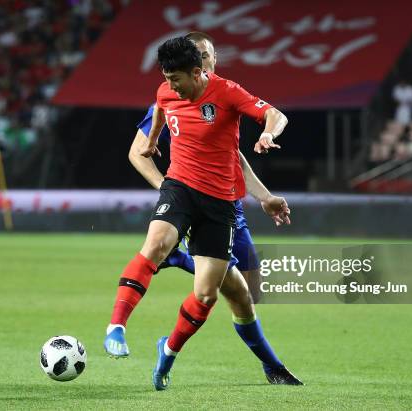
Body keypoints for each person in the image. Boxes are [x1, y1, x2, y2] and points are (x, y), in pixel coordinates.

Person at [105, 35, 302, 390]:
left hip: (222, 206)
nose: (169, 85)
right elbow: (160, 108)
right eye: (166, 78)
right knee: (156, 244)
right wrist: (151, 142)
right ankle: (116, 327)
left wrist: (268, 137)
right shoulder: (170, 89)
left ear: (199, 69)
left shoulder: (227, 93)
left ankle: (169, 348)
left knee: (230, 294)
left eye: (175, 77)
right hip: (180, 189)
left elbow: (271, 118)